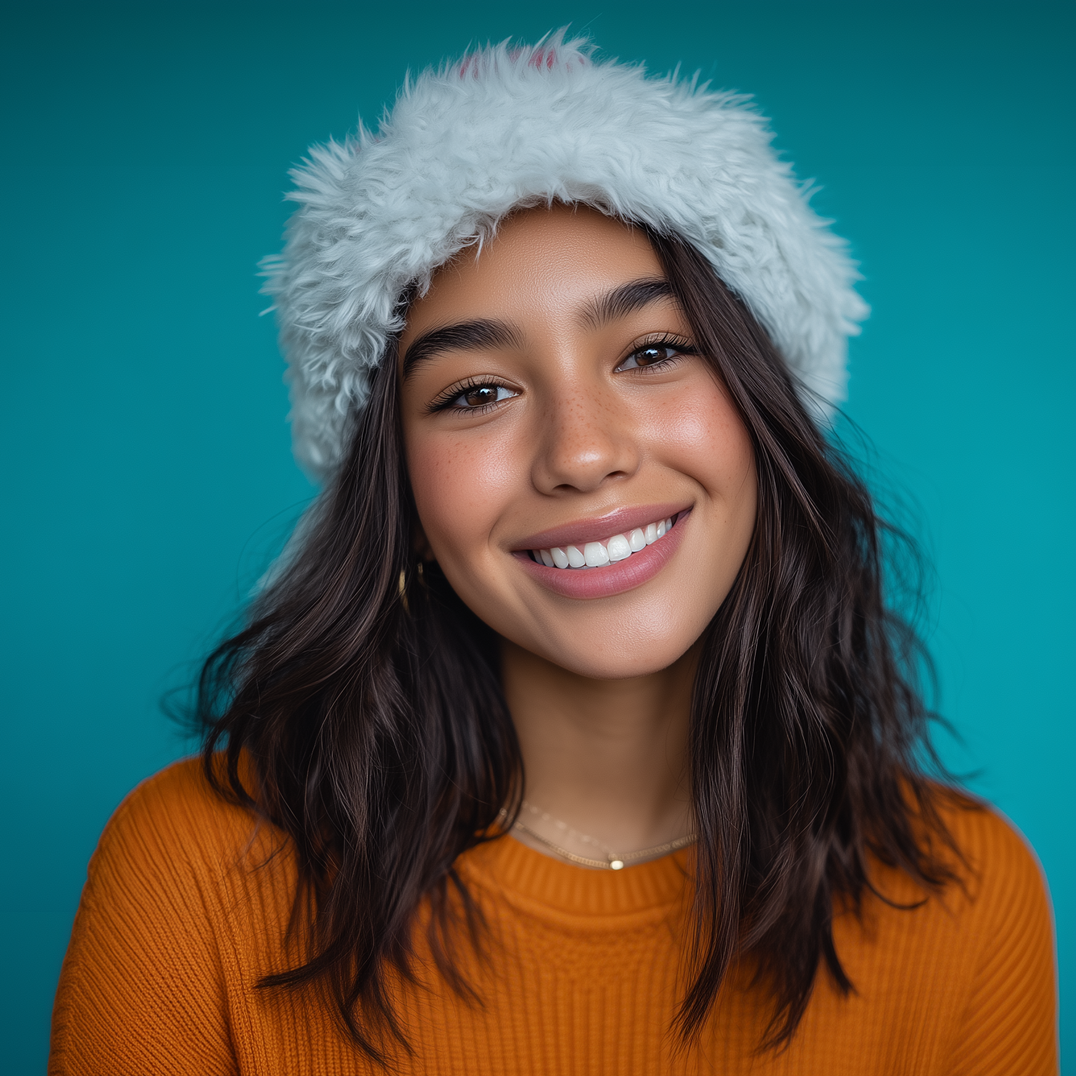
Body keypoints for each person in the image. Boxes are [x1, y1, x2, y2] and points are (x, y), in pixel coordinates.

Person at [49, 36, 1057, 1075]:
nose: (580, 453)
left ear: (764, 416)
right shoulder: (192, 877)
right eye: (475, 391)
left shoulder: (965, 898)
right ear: (394, 492)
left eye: (652, 351)